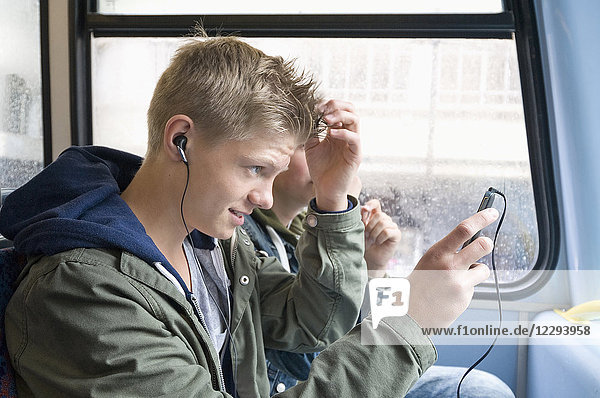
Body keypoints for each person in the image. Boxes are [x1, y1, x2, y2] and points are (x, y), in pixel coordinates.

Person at [0, 34, 499, 397]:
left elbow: (313, 324)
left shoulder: (212, 244)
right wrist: (408, 322)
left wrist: (332, 198)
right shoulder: (82, 291)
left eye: (273, 173)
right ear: (181, 140)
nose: (264, 196)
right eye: (254, 168)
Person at [243, 147, 515, 397]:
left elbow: (367, 328)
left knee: (483, 389)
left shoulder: (311, 232)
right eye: (306, 146)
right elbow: (310, 357)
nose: (326, 158)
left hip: (357, 368)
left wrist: (373, 266)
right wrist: (413, 316)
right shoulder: (251, 241)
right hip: (329, 379)